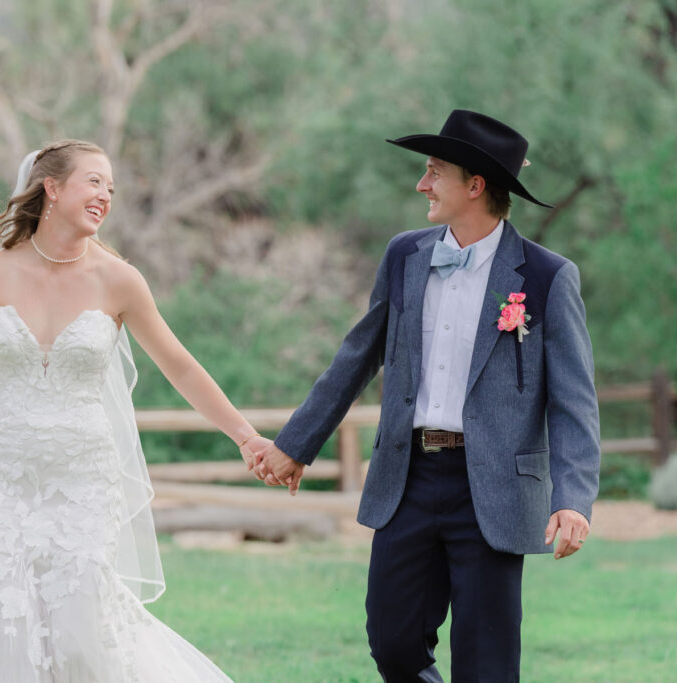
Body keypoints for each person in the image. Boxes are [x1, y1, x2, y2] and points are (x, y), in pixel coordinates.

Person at [0, 139, 269, 681]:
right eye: (94, 181)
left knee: (81, 627)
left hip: (84, 480)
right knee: (4, 618)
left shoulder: (119, 279)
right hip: (6, 476)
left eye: (111, 188)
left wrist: (245, 436)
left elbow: (180, 365)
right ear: (52, 187)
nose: (105, 196)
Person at [254, 110, 601, 682]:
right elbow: (356, 357)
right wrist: (298, 444)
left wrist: (573, 499)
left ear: (475, 185)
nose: (421, 185)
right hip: (406, 479)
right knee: (392, 643)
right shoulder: (405, 256)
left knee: (485, 663)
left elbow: (573, 402)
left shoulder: (546, 276)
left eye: (433, 172)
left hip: (492, 487)